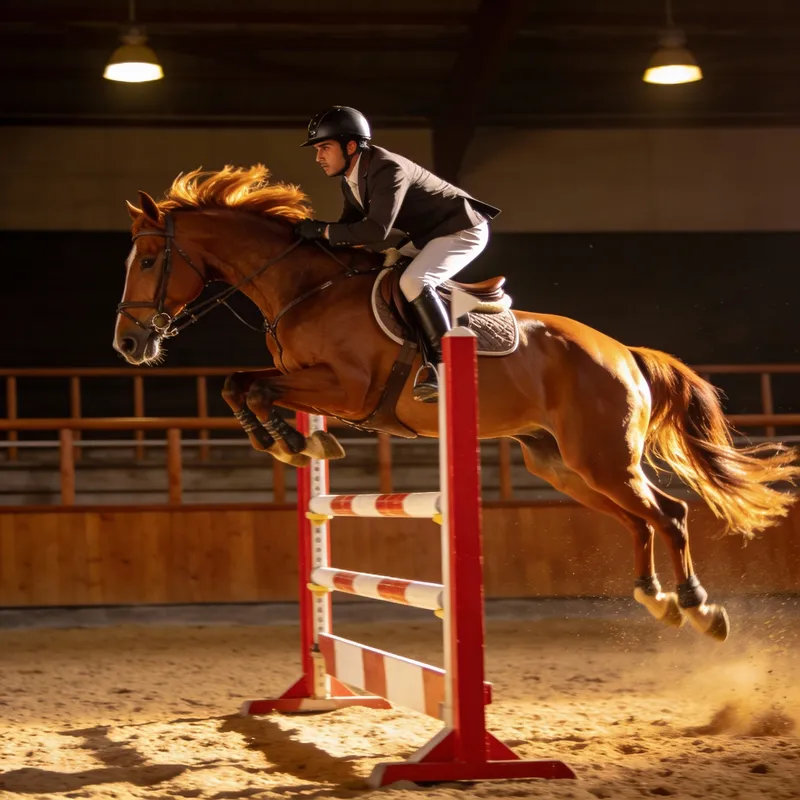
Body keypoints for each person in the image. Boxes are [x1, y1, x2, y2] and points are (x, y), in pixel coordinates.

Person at [294, 105, 500, 403]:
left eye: (324, 147)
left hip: (462, 230)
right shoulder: (351, 179)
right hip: (429, 235)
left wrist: (322, 231)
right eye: (317, 150)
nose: (318, 157)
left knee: (414, 281)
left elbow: (375, 231)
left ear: (350, 146)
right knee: (383, 274)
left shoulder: (387, 169)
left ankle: (445, 367)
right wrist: (311, 240)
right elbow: (348, 229)